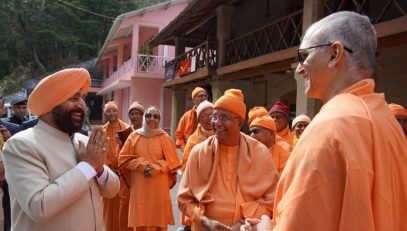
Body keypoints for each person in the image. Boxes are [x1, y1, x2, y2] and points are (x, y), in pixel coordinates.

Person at [272, 11, 407, 230]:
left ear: (335, 53)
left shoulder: (329, 127)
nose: (298, 69)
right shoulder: (388, 121)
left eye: (304, 56)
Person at [2, 68, 120, 231]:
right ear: (51, 105)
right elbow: (40, 208)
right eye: (74, 98)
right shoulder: (21, 145)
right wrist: (87, 166)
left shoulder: (83, 141)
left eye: (83, 98)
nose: (83, 106)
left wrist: (98, 168)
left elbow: (112, 190)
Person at [177, 89, 278, 231]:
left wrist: (242, 223)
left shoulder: (260, 153)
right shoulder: (198, 152)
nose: (217, 123)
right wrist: (205, 221)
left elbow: (272, 200)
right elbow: (184, 200)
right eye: (214, 116)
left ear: (240, 122)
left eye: (224, 117)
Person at [118, 105, 181, 230]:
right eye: (148, 115)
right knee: (141, 220)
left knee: (158, 220)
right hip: (140, 188)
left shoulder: (165, 137)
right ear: (144, 118)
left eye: (155, 116)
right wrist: (143, 166)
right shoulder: (134, 136)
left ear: (159, 119)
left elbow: (173, 161)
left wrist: (157, 168)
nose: (152, 119)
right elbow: (123, 158)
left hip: (159, 188)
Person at [102, 101, 129, 231]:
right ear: (105, 114)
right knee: (108, 205)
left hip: (123, 174)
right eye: (108, 111)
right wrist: (108, 168)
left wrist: (121, 167)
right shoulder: (102, 131)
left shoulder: (126, 128)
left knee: (123, 204)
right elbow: (100, 152)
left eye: (113, 110)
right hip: (108, 174)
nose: (111, 113)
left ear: (118, 112)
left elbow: (130, 150)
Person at [118, 101, 145, 231]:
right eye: (132, 114)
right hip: (127, 176)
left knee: (142, 208)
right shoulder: (126, 132)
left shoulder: (149, 132)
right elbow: (122, 157)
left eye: (137, 114)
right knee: (125, 207)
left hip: (143, 175)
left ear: (143, 115)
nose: (134, 116)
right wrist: (120, 145)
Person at [0, 97, 20, 231]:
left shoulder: (13, 128)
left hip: (8, 178)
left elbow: (22, 154)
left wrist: (10, 140)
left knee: (9, 210)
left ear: (1, 110)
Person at [181, 100, 215, 172]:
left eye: (212, 115)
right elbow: (186, 165)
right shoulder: (193, 140)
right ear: (199, 119)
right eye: (205, 115)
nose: (209, 117)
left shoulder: (222, 135)